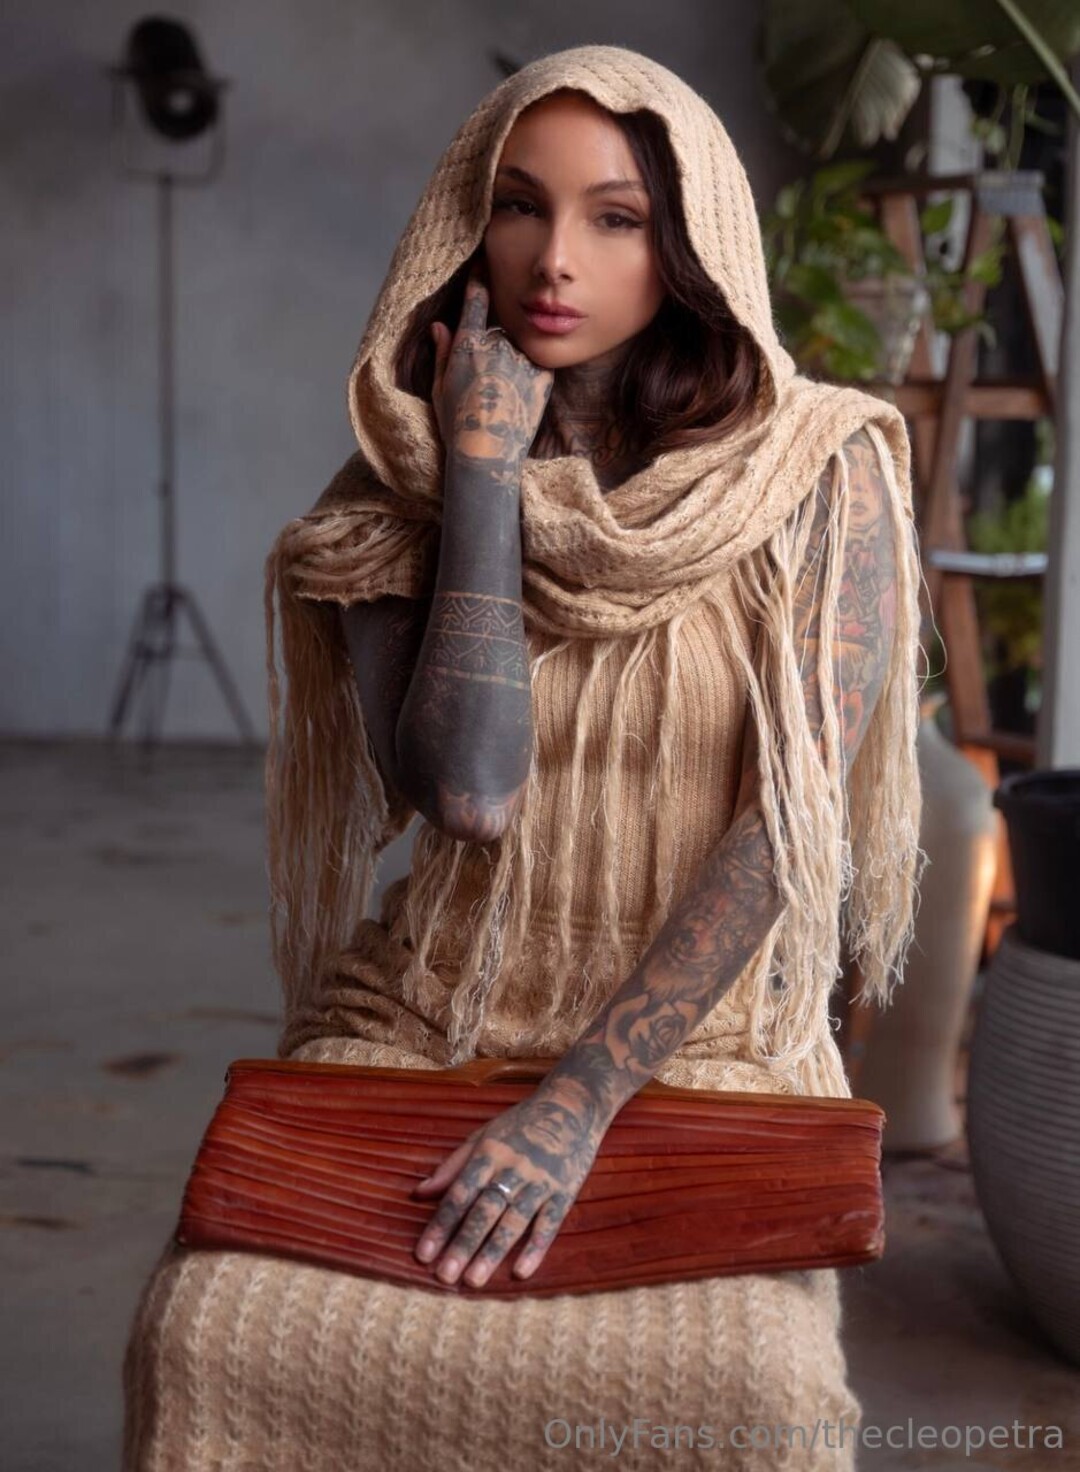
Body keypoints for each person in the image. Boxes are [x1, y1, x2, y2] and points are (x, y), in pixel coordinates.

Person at [122, 44, 926, 1471]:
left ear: (688, 245)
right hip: (435, 1009)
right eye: (518, 206)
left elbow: (785, 832)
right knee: (210, 1336)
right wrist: (483, 476)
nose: (557, 259)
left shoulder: (816, 470)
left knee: (751, 1389)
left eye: (617, 218)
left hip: (704, 1047)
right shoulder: (397, 480)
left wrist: (580, 1104)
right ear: (463, 225)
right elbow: (471, 793)